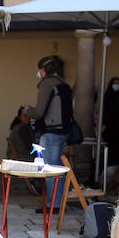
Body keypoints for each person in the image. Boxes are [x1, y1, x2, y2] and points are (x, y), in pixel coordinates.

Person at [31, 55, 76, 205]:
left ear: (43, 70)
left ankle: (54, 205)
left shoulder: (47, 84)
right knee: (57, 168)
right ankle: (58, 202)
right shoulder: (63, 83)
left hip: (51, 131)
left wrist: (28, 111)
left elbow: (40, 112)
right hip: (63, 131)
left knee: (50, 169)